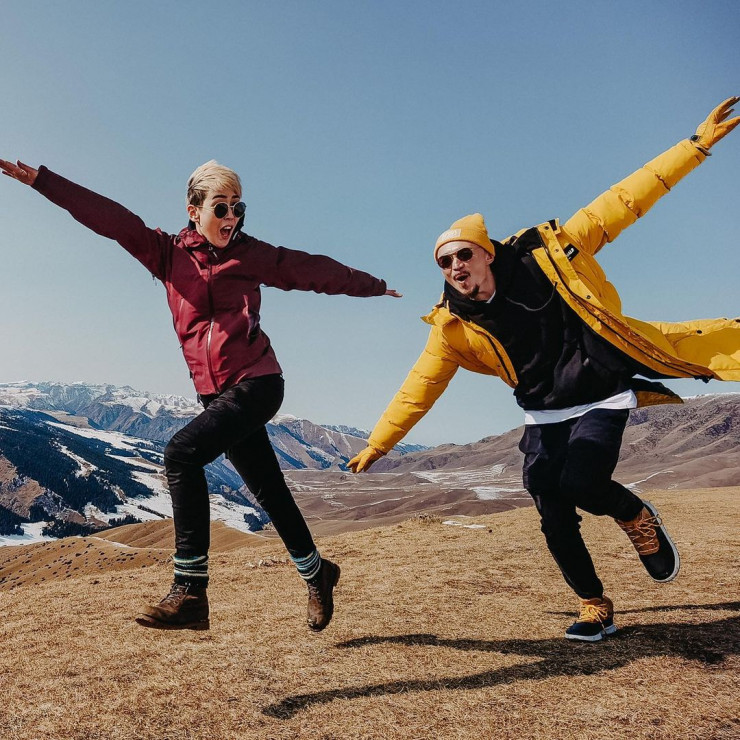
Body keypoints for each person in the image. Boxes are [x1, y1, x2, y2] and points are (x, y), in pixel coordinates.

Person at [348, 97, 740, 642]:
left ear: (486, 253)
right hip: (543, 411)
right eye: (444, 262)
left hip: (599, 392)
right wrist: (379, 443)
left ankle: (634, 515)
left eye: (463, 255)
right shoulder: (451, 326)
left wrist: (694, 147)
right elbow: (422, 386)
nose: (455, 266)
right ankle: (593, 604)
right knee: (549, 503)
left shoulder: (551, 255)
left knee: (582, 481)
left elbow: (623, 202)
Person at [1, 156, 400, 631]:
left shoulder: (250, 255)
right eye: (220, 207)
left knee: (181, 454)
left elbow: (309, 270)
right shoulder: (166, 254)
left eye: (238, 207)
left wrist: (372, 286)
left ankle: (190, 591)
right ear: (193, 210)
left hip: (257, 382)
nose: (232, 217)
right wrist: (44, 182)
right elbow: (111, 219)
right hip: (216, 395)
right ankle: (318, 573)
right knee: (268, 491)